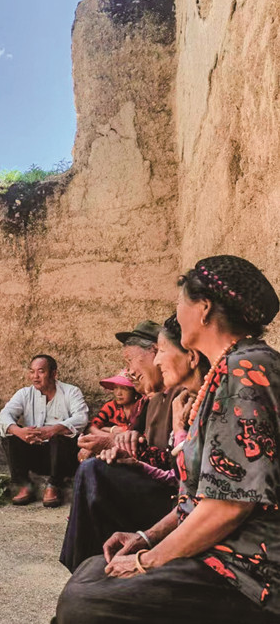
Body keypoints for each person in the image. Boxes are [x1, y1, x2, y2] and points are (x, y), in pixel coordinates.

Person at [56, 255, 280, 623]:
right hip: (222, 552)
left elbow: (229, 506)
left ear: (203, 309)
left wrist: (147, 560)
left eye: (180, 302)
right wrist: (146, 538)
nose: (176, 313)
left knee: (83, 603)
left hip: (249, 572)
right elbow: (198, 497)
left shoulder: (245, 369)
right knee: (91, 570)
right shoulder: (227, 371)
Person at [59, 314, 207, 571]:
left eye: (130, 361)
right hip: (166, 485)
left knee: (94, 472)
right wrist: (116, 448)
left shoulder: (186, 398)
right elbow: (141, 446)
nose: (128, 372)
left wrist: (124, 449)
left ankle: (86, 569)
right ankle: (90, 567)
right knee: (96, 469)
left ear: (156, 351)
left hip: (177, 498)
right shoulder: (151, 400)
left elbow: (182, 471)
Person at [0, 357, 88, 507]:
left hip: (62, 458)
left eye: (41, 372)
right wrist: (20, 432)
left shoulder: (71, 391)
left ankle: (54, 485)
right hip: (35, 453)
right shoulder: (25, 393)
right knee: (10, 435)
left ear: (53, 374)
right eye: (32, 372)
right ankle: (25, 484)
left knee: (59, 437)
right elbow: (3, 416)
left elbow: (82, 418)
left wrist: (53, 429)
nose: (35, 376)